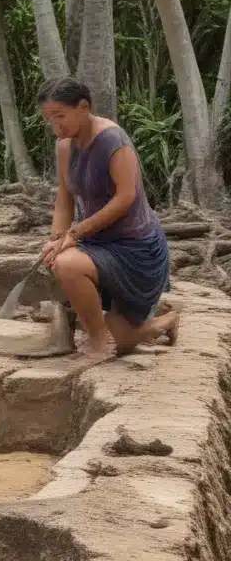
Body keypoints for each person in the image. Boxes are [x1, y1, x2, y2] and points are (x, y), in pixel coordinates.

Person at [38, 76, 178, 358]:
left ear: (83, 106)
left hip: (135, 248)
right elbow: (64, 198)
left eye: (60, 116)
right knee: (58, 260)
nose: (56, 126)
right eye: (49, 119)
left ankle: (103, 340)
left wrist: (74, 235)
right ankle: (121, 329)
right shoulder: (65, 146)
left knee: (69, 267)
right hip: (97, 243)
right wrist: (55, 239)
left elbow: (125, 198)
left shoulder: (113, 139)